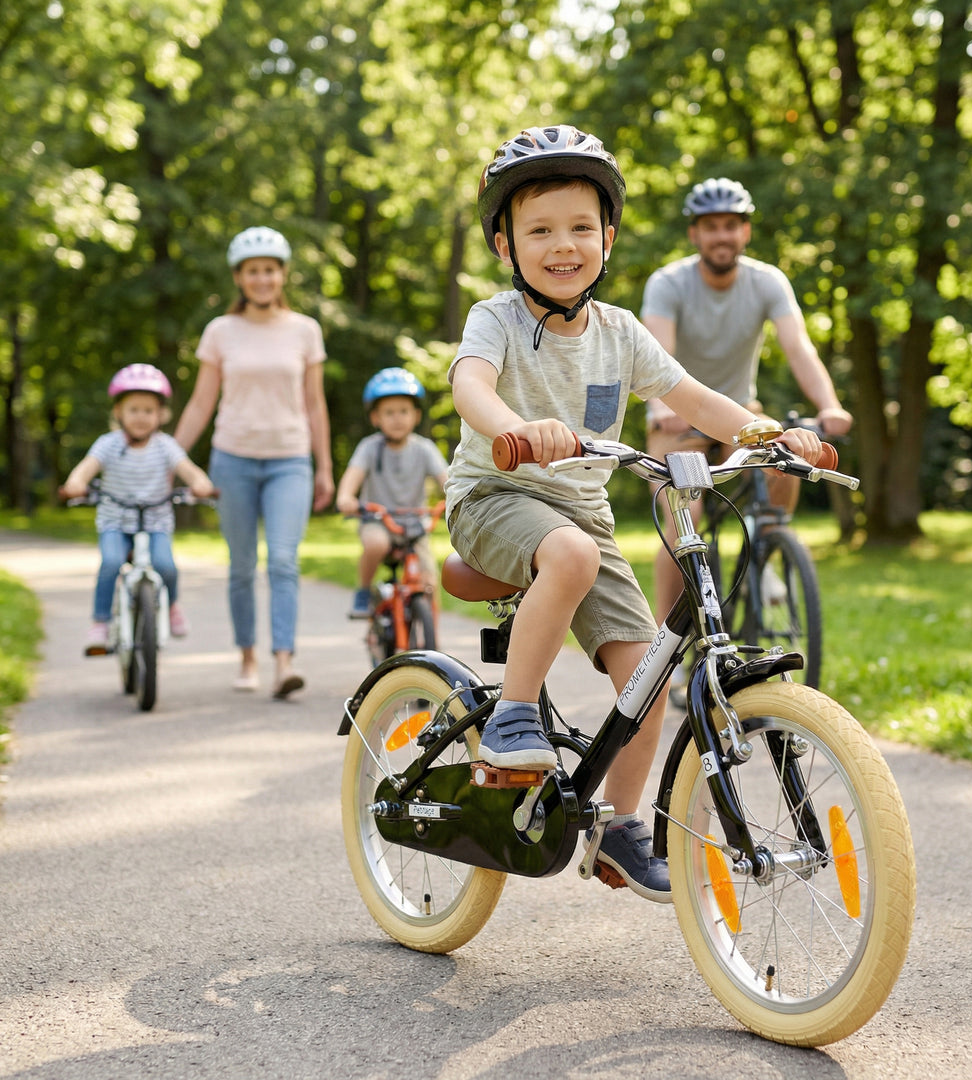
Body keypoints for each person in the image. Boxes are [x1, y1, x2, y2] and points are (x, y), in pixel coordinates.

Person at [445, 125, 823, 902]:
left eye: (581, 227)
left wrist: (769, 432)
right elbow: (470, 387)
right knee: (573, 556)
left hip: (582, 518)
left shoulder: (621, 332)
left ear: (609, 238)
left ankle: (617, 827)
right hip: (495, 497)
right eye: (539, 229)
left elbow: (694, 399)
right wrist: (512, 429)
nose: (563, 245)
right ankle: (514, 719)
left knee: (649, 667)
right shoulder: (497, 319)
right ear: (504, 245)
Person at [641, 176, 853, 624]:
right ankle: (665, 649)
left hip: (740, 415)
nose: (722, 235)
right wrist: (662, 409)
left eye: (731, 225)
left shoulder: (767, 281)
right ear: (694, 234)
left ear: (745, 232)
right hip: (676, 417)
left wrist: (830, 405)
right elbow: (657, 356)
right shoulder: (668, 283)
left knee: (785, 458)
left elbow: (799, 347)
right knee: (686, 521)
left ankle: (769, 552)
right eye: (711, 226)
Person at [174, 226, 333, 699]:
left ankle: (283, 663)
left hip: (289, 460)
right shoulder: (220, 331)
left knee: (283, 561)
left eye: (270, 270)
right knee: (242, 566)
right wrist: (173, 457)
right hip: (233, 460)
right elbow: (202, 403)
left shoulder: (305, 329)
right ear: (239, 278)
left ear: (282, 275)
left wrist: (324, 467)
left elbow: (315, 404)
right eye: (252, 271)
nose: (262, 279)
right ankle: (247, 657)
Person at [60, 364, 215, 655]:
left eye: (148, 410)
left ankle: (173, 607)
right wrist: (76, 483)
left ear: (161, 414)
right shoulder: (108, 444)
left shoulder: (165, 446)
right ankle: (100, 623)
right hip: (115, 521)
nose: (141, 417)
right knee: (110, 563)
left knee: (166, 566)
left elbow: (187, 469)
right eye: (134, 409)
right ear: (119, 412)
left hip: (155, 521)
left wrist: (201, 483)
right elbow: (86, 469)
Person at [335, 367, 448, 618]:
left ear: (416, 415)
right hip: (378, 521)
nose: (397, 418)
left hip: (414, 524)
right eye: (389, 413)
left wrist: (456, 496)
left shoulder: (424, 449)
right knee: (376, 544)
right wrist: (346, 498)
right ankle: (363, 591)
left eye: (404, 411)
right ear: (376, 418)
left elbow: (447, 481)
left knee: (430, 579)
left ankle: (433, 640)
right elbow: (351, 479)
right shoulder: (369, 448)